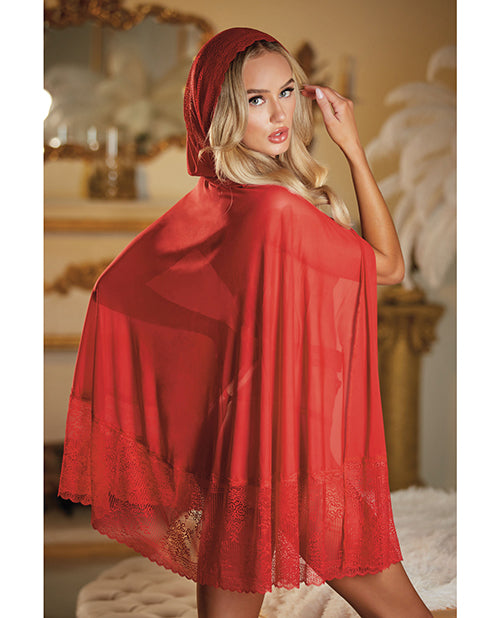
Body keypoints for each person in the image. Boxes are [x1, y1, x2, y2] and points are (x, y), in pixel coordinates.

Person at [58, 28, 432, 617]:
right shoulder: (278, 208)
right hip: (297, 447)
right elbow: (389, 266)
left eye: (287, 91)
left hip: (235, 447)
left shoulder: (212, 198)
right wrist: (353, 148)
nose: (281, 114)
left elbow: (116, 286)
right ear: (225, 113)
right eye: (257, 100)